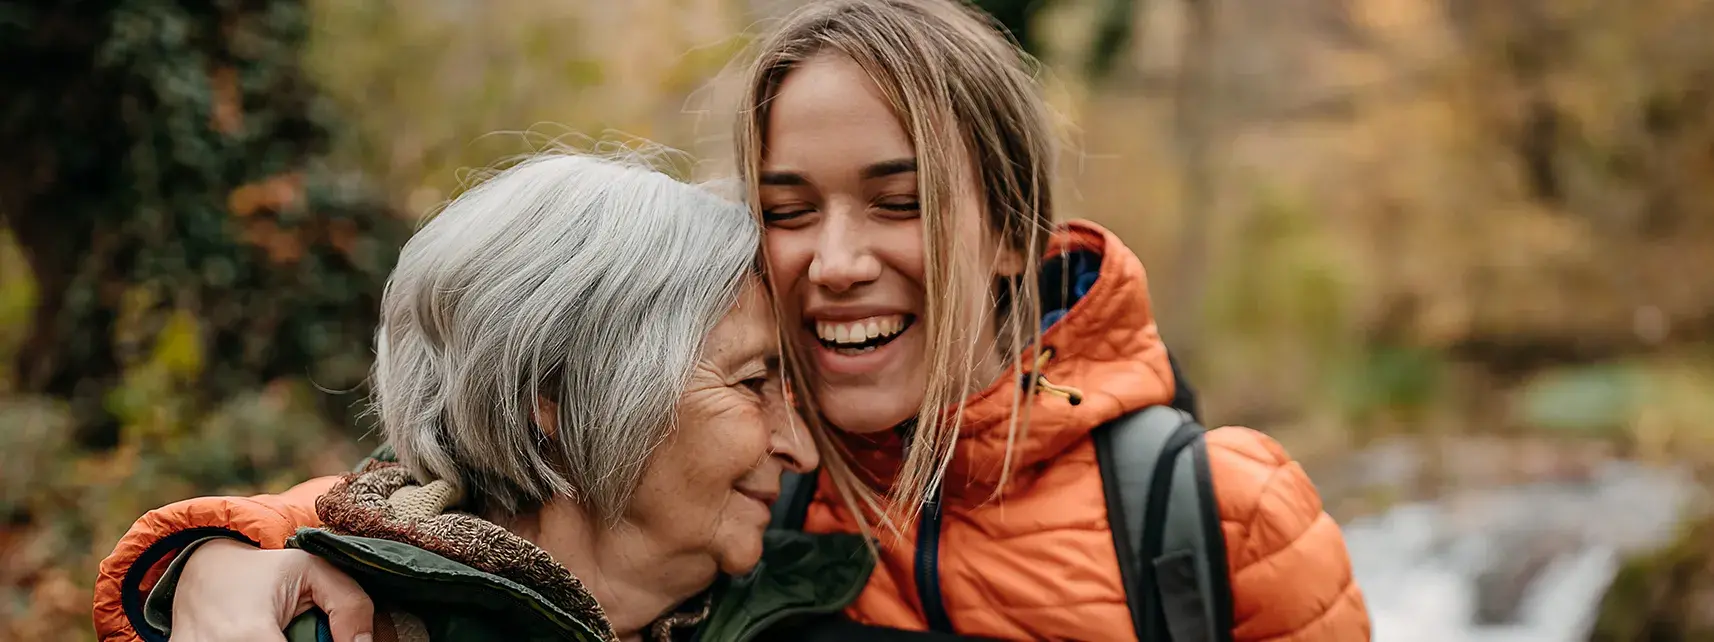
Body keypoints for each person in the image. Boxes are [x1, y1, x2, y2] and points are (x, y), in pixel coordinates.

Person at [93, 1, 1370, 640]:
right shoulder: (741, 471)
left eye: (899, 201)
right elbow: (464, 493)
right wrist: (203, 557)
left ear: (1014, 231)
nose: (835, 262)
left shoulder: (1211, 515)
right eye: (786, 207)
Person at [92, 153, 877, 642]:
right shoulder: (336, 626)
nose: (800, 447)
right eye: (751, 383)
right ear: (558, 396)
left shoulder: (809, 606)